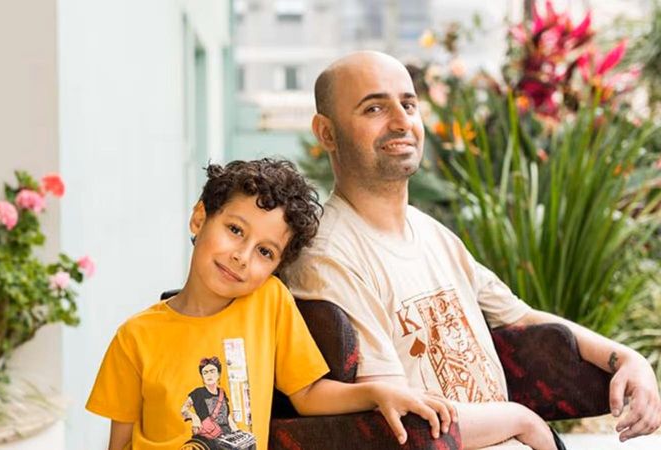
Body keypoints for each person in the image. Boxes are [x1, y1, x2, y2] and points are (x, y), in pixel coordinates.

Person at [282, 51, 661, 450]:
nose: (401, 122)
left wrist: (626, 360)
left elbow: (522, 318)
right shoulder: (328, 257)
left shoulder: (432, 234)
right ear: (326, 133)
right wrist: (523, 420)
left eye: (408, 104)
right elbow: (402, 419)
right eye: (374, 107)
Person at [86, 159, 457, 450]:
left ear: (276, 266)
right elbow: (120, 444)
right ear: (200, 218)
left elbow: (309, 394)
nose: (243, 257)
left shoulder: (269, 303)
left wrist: (379, 392)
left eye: (265, 251)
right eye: (235, 230)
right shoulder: (134, 337)